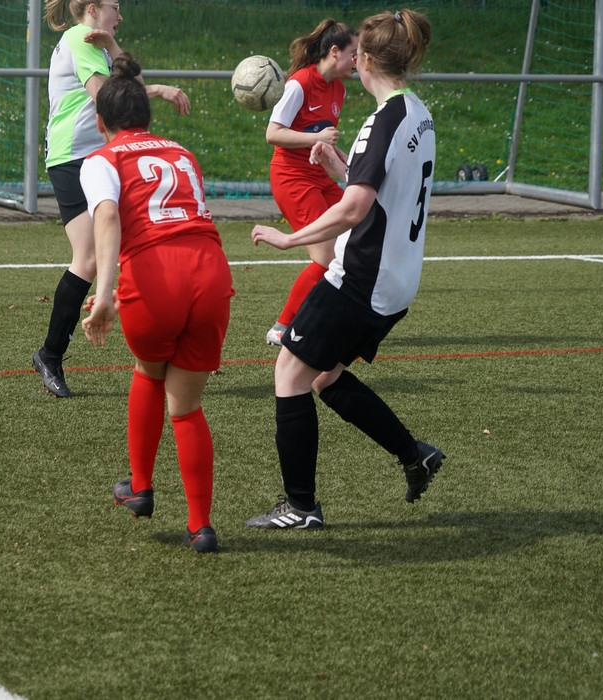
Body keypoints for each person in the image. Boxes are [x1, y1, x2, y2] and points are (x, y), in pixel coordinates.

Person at [247, 9, 444, 530]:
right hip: (399, 281)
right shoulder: (417, 112)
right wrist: (340, 167)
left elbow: (355, 209)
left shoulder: (382, 122)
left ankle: (301, 507)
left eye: (357, 51)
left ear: (366, 60)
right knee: (325, 375)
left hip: (362, 278)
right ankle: (414, 454)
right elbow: (382, 188)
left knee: (289, 372)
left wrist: (291, 237)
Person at [80, 54, 234, 553]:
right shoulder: (182, 151)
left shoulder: (102, 158)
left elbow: (107, 219)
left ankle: (141, 488)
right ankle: (201, 526)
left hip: (156, 276)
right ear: (148, 117)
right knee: (187, 408)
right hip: (211, 273)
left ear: (100, 122)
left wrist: (103, 295)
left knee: (149, 371)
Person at [32, 0, 191, 398]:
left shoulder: (98, 45)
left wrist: (116, 49)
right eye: (114, 7)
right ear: (91, 8)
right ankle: (49, 355)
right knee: (87, 259)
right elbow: (110, 98)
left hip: (103, 156)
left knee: (139, 241)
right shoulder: (78, 38)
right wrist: (161, 89)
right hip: (74, 158)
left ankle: (161, 345)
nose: (119, 16)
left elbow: (127, 91)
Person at [264, 19, 358, 347]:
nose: (358, 62)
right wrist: (315, 136)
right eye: (354, 54)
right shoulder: (299, 84)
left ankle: (332, 317)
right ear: (335, 52)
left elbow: (322, 142)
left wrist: (344, 158)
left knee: (356, 235)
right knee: (325, 258)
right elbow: (272, 133)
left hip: (318, 176)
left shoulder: (339, 89)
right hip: (292, 179)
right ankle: (282, 327)